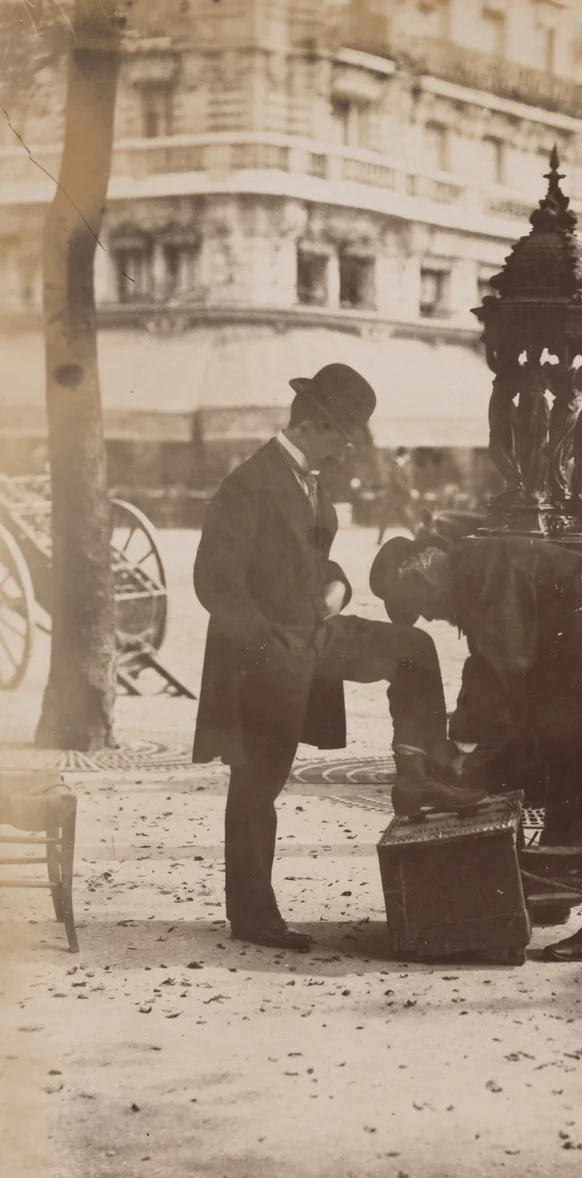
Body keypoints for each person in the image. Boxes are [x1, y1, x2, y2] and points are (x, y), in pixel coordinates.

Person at [192, 365, 484, 952]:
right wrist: (271, 648)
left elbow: (315, 560)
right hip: (264, 655)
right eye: (339, 437)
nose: (344, 449)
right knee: (256, 787)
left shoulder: (311, 479)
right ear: (310, 423)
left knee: (412, 648)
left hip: (316, 634)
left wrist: (338, 588)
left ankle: (419, 773)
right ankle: (252, 916)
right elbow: (214, 583)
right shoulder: (248, 483)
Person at [369, 534, 582, 962]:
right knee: (567, 765)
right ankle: (558, 891)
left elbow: (504, 667)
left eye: (418, 603)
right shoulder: (470, 572)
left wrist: (463, 752)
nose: (428, 614)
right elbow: (487, 664)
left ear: (420, 570)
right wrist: (464, 737)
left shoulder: (484, 572)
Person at [376, 448, 419, 545]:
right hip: (395, 497)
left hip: (398, 498)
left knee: (390, 517)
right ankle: (417, 536)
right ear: (403, 455)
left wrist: (409, 490)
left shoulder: (399, 466)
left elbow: (403, 481)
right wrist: (410, 490)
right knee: (395, 517)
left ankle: (417, 536)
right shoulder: (395, 466)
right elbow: (399, 481)